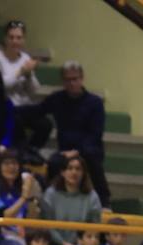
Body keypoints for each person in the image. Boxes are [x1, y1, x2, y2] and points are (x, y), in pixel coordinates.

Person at [42, 61, 109, 205]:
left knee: (92, 159)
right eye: (68, 80)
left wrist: (77, 151)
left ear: (82, 78)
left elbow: (96, 134)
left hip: (88, 149)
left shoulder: (95, 102)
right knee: (54, 162)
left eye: (75, 79)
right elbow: (37, 110)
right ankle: (49, 200)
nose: (72, 83)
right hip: (65, 151)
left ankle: (104, 201)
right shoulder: (57, 99)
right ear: (63, 81)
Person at [0, 19, 48, 150]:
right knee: (16, 121)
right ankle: (22, 152)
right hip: (2, 105)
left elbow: (34, 90)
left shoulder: (25, 57)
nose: (15, 41)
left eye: (19, 38)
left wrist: (29, 74)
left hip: (23, 106)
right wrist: (20, 72)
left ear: (23, 40)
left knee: (45, 124)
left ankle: (31, 151)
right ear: (5, 39)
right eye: (11, 37)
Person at [40, 152, 100, 245]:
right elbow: (47, 225)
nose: (74, 172)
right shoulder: (50, 194)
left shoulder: (92, 197)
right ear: (62, 172)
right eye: (70, 168)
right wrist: (63, 244)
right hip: (53, 244)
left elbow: (94, 226)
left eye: (78, 169)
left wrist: (80, 244)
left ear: (83, 173)